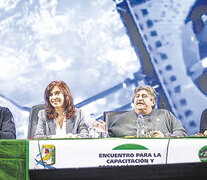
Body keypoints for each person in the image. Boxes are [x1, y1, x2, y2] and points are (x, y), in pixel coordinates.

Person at [109, 85, 188, 137]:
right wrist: (101, 132)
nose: (139, 99)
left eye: (144, 96)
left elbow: (182, 133)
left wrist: (164, 136)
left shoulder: (165, 115)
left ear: (153, 102)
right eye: (137, 96)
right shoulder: (121, 120)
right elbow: (108, 140)